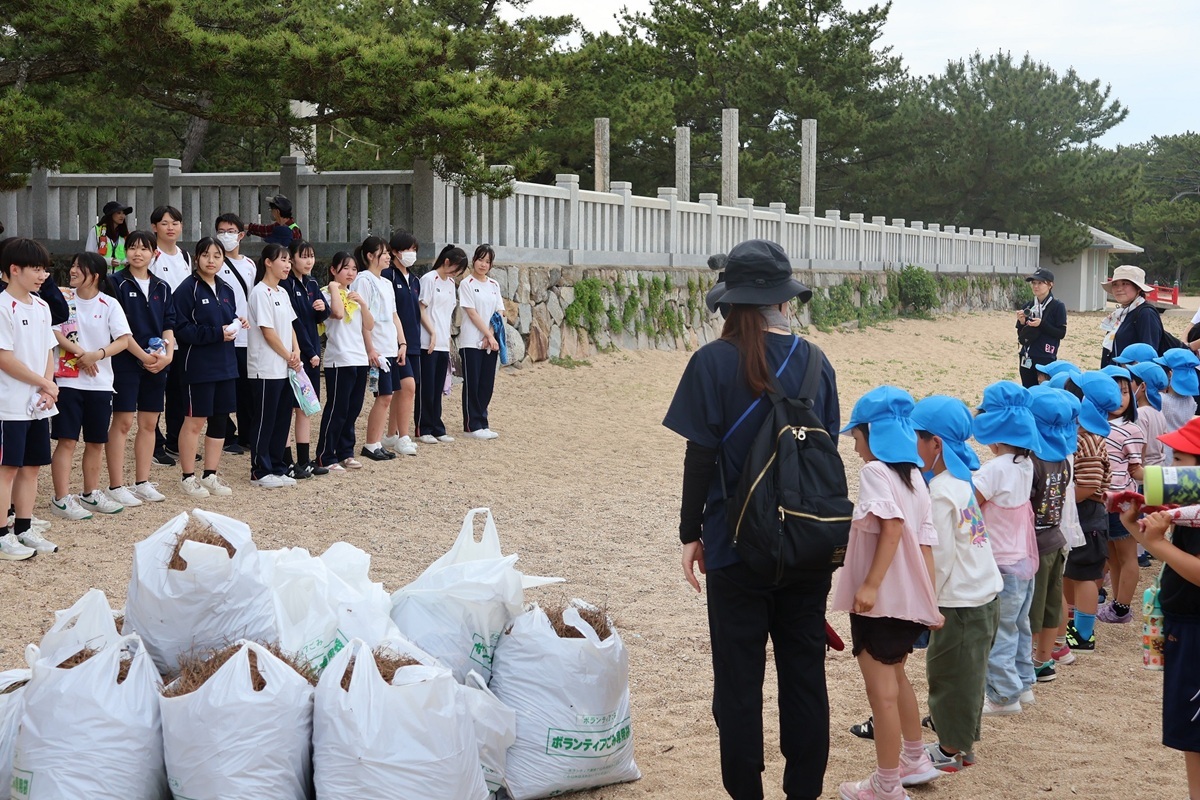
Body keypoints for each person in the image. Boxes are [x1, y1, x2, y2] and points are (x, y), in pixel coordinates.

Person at [663, 238, 839, 800]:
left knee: (738, 684)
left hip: (737, 545)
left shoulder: (713, 362)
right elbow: (825, 448)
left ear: (731, 303)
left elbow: (701, 456)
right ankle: (803, 792)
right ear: (784, 300)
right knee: (804, 676)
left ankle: (746, 793)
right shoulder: (817, 362)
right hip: (808, 544)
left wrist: (691, 533)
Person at [832, 386, 942, 800]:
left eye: (858, 439)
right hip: (910, 601)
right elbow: (926, 543)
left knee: (881, 694)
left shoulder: (875, 473)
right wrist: (929, 601)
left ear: (872, 435)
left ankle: (886, 784)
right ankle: (915, 759)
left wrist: (870, 585)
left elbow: (892, 527)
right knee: (897, 677)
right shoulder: (916, 477)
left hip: (881, 603)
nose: (856, 449)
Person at [911, 396, 1001, 774]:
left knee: (948, 676)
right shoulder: (960, 482)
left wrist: (926, 604)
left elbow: (940, 558)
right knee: (969, 676)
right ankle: (963, 744)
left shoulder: (940, 491)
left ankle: (949, 750)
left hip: (960, 602)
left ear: (936, 444)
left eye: (918, 438)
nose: (913, 445)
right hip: (983, 594)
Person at [1119, 418, 1200, 800]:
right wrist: (1138, 531)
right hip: (1186, 627)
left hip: (1197, 631)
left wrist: (1160, 544)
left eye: (1179, 459)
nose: (1169, 467)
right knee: (1191, 737)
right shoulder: (1190, 507)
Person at [47, 252, 132, 520]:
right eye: (71, 265)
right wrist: (81, 353)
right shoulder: (63, 299)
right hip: (68, 381)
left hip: (100, 383)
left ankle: (90, 493)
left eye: (78, 267)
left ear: (94, 275)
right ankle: (60, 498)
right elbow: (54, 330)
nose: (72, 270)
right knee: (67, 440)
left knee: (96, 441)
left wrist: (98, 355)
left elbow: (124, 339)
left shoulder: (109, 304)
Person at [973, 381, 1040, 715]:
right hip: (1021, 558)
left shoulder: (994, 469)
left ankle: (1003, 696)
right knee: (1018, 624)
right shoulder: (1024, 464)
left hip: (998, 561)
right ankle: (1023, 684)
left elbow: (969, 507)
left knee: (998, 630)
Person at [0, 239, 60, 559]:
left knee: (32, 466)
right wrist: (43, 383)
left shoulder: (42, 306)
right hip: (7, 404)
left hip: (37, 404)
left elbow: (49, 349)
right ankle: (1, 535)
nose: (42, 275)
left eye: (44, 269)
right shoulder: (2, 306)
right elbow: (4, 358)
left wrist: (48, 385)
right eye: (36, 269)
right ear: (14, 270)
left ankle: (23, 528)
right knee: (7, 468)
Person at [105, 230, 174, 505]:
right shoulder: (115, 283)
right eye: (132, 248)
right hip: (125, 361)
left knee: (150, 422)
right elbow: (118, 330)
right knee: (122, 422)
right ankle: (116, 485)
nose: (137, 253)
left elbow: (169, 325)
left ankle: (142, 481)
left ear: (154, 253)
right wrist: (142, 357)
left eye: (144, 249)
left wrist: (166, 356)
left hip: (157, 363)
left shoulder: (162, 286)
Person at [171, 238, 240, 498]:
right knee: (195, 420)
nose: (211, 260)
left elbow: (227, 320)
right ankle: (187, 477)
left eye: (217, 255)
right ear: (197, 258)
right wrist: (216, 333)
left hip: (225, 364)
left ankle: (210, 474)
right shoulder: (187, 289)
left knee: (220, 420)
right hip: (198, 365)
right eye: (206, 255)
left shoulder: (226, 289)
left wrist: (236, 323)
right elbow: (182, 329)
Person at [1060, 371, 1119, 654]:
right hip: (1080, 512)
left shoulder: (1090, 439)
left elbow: (1089, 484)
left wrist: (1062, 499)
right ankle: (1071, 619)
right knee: (1072, 569)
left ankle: (1084, 634)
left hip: (1087, 513)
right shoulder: (1081, 434)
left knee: (1084, 573)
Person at [1025, 386, 1075, 683]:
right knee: (1050, 604)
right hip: (1056, 539)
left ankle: (1029, 660)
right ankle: (1043, 661)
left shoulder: (1032, 461)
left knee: (1033, 606)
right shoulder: (1062, 459)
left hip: (1036, 543)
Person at [246, 244, 301, 488]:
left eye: (289, 260)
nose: (288, 265)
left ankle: (277, 466)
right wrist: (288, 355)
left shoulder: (282, 292)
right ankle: (260, 469)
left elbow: (289, 326)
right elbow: (267, 332)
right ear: (268, 262)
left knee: (281, 418)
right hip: (265, 367)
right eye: (283, 260)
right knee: (265, 418)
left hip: (284, 367)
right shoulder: (260, 292)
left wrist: (296, 351)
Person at [315, 252, 374, 472]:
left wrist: (363, 305)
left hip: (358, 357)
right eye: (345, 268)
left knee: (353, 408)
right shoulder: (326, 295)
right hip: (339, 358)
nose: (350, 273)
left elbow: (369, 325)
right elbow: (337, 315)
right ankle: (325, 455)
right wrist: (333, 288)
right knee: (337, 408)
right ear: (333, 270)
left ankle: (345, 451)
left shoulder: (354, 295)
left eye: (354, 269)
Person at [1095, 365, 1144, 624]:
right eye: (1113, 391)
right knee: (1113, 556)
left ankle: (1122, 607)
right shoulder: (1093, 425)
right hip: (1102, 501)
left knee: (1126, 555)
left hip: (1123, 502)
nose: (1119, 398)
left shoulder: (1131, 429)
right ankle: (1116, 604)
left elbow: (1136, 469)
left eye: (1125, 392)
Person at [350, 236, 403, 461]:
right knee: (383, 395)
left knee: (388, 395)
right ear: (371, 256)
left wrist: (402, 342)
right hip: (377, 348)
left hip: (390, 346)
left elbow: (393, 315)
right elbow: (362, 318)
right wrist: (370, 348)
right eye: (384, 253)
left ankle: (377, 441)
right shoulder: (363, 280)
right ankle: (371, 443)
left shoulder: (387, 282)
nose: (389, 257)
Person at [281, 239, 328, 477]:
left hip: (310, 352)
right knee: (290, 407)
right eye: (303, 256)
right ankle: (287, 461)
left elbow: (321, 316)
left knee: (305, 407)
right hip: (295, 353)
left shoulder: (311, 282)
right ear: (291, 258)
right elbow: (294, 323)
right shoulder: (286, 285)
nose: (309, 261)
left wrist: (322, 308)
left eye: (311, 256)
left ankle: (305, 460)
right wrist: (309, 352)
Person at [148, 205, 190, 467]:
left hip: (181, 329)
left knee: (178, 388)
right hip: (157, 329)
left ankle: (176, 438)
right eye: (164, 223)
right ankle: (154, 442)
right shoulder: (151, 255)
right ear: (155, 227)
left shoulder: (185, 256)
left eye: (175, 222)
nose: (170, 227)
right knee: (155, 388)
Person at [214, 213, 257, 456]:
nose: (226, 235)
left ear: (241, 235)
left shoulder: (250, 265)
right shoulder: (214, 262)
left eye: (231, 231)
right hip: (225, 334)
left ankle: (247, 435)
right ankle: (226, 434)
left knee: (247, 389)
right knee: (225, 387)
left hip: (247, 336)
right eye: (221, 230)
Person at [417, 245, 467, 444]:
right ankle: (424, 426)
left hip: (443, 342)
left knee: (438, 386)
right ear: (447, 262)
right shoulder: (429, 279)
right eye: (456, 268)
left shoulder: (450, 283)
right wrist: (432, 332)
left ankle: (437, 425)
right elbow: (421, 309)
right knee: (426, 386)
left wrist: (444, 338)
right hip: (427, 341)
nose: (456, 273)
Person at [381, 231, 421, 456]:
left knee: (402, 389)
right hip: (394, 341)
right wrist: (399, 340)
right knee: (408, 387)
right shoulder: (388, 276)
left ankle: (392, 434)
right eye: (408, 249)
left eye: (414, 250)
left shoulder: (414, 279)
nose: (412, 254)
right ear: (394, 251)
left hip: (413, 341)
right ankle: (404, 437)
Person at [459, 244, 504, 439]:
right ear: (474, 260)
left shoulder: (494, 285)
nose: (483, 264)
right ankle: (472, 424)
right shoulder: (466, 283)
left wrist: (491, 334)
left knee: (487, 383)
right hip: (471, 341)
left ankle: (482, 421)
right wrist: (487, 334)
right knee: (473, 383)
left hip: (490, 343)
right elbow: (471, 312)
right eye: (480, 259)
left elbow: (499, 312)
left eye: (487, 261)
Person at [1100, 265, 1164, 368]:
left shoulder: (1146, 313)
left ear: (1138, 288)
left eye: (1125, 283)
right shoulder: (1120, 314)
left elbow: (1149, 353)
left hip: (1131, 380)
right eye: (1115, 284)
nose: (1119, 288)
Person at [1016, 268, 1067, 388]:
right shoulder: (1028, 306)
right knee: (1027, 389)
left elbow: (1061, 333)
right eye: (1033, 283)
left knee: (1044, 390)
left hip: (1045, 356)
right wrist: (1022, 322)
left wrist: (1042, 324)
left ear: (1050, 285)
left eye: (1040, 283)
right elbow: (1021, 336)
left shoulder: (1057, 306)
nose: (1036, 286)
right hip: (1026, 355)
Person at [85, 201, 132, 269]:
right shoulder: (96, 231)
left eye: (124, 213)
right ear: (110, 215)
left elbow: (130, 252)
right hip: (102, 274)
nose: (123, 216)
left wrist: (127, 261)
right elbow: (89, 255)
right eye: (119, 213)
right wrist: (107, 261)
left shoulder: (125, 234)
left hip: (120, 276)